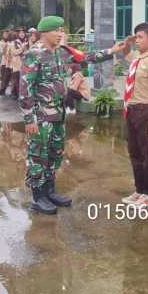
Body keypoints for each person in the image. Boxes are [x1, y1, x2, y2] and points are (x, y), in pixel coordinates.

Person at [19, 15, 127, 215]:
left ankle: (49, 191)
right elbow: (26, 89)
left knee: (55, 153)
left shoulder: (61, 52)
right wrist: (29, 119)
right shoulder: (33, 55)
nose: (61, 34)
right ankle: (38, 197)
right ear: (45, 33)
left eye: (62, 30)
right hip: (41, 117)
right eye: (57, 30)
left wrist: (112, 50)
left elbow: (86, 57)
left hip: (58, 114)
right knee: (38, 156)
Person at [118, 22, 148, 209]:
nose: (137, 40)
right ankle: (139, 190)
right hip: (132, 111)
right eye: (136, 36)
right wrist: (127, 42)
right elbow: (125, 53)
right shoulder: (138, 59)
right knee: (135, 153)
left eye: (140, 37)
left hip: (146, 111)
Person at [9, 26, 28, 99]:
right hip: (16, 63)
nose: (22, 34)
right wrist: (22, 48)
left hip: (24, 63)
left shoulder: (26, 42)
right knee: (15, 79)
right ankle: (14, 93)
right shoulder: (14, 42)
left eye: (23, 33)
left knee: (23, 80)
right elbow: (14, 52)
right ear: (17, 34)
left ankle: (22, 94)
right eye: (20, 33)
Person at [0, 29, 12, 95]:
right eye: (4, 34)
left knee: (13, 77)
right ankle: (2, 89)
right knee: (4, 77)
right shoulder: (0, 43)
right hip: (4, 62)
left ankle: (13, 91)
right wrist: (7, 44)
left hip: (12, 62)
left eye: (7, 34)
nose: (6, 35)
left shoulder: (12, 42)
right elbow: (3, 52)